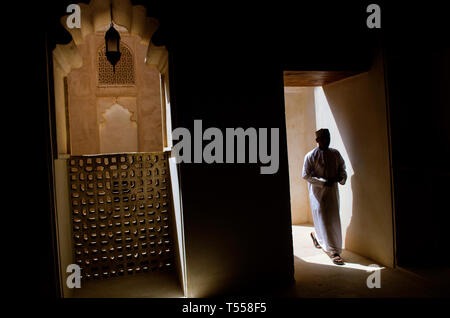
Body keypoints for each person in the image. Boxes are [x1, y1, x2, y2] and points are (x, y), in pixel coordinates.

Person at [302, 128, 347, 265]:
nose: (327, 140)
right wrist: (322, 182)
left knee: (332, 219)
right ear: (317, 140)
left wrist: (340, 177)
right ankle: (334, 252)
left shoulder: (335, 153)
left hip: (332, 193)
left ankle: (317, 236)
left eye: (328, 137)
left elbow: (342, 169)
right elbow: (305, 175)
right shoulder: (310, 156)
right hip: (318, 195)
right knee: (324, 219)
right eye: (324, 138)